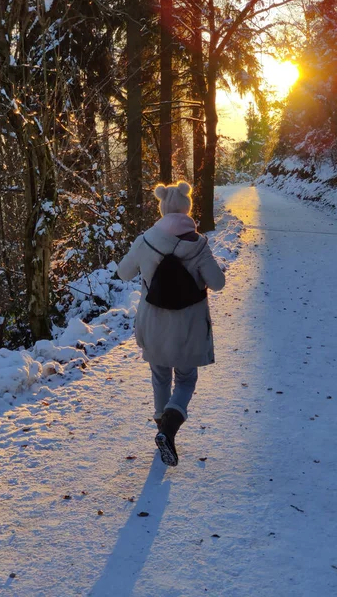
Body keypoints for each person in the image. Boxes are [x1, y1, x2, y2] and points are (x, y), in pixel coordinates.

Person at [117, 181, 225, 466]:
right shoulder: (199, 245)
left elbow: (124, 272)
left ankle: (162, 429)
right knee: (186, 379)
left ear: (162, 207)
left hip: (153, 325)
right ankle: (169, 426)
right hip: (188, 328)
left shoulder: (145, 240)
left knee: (160, 376)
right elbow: (218, 283)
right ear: (187, 209)